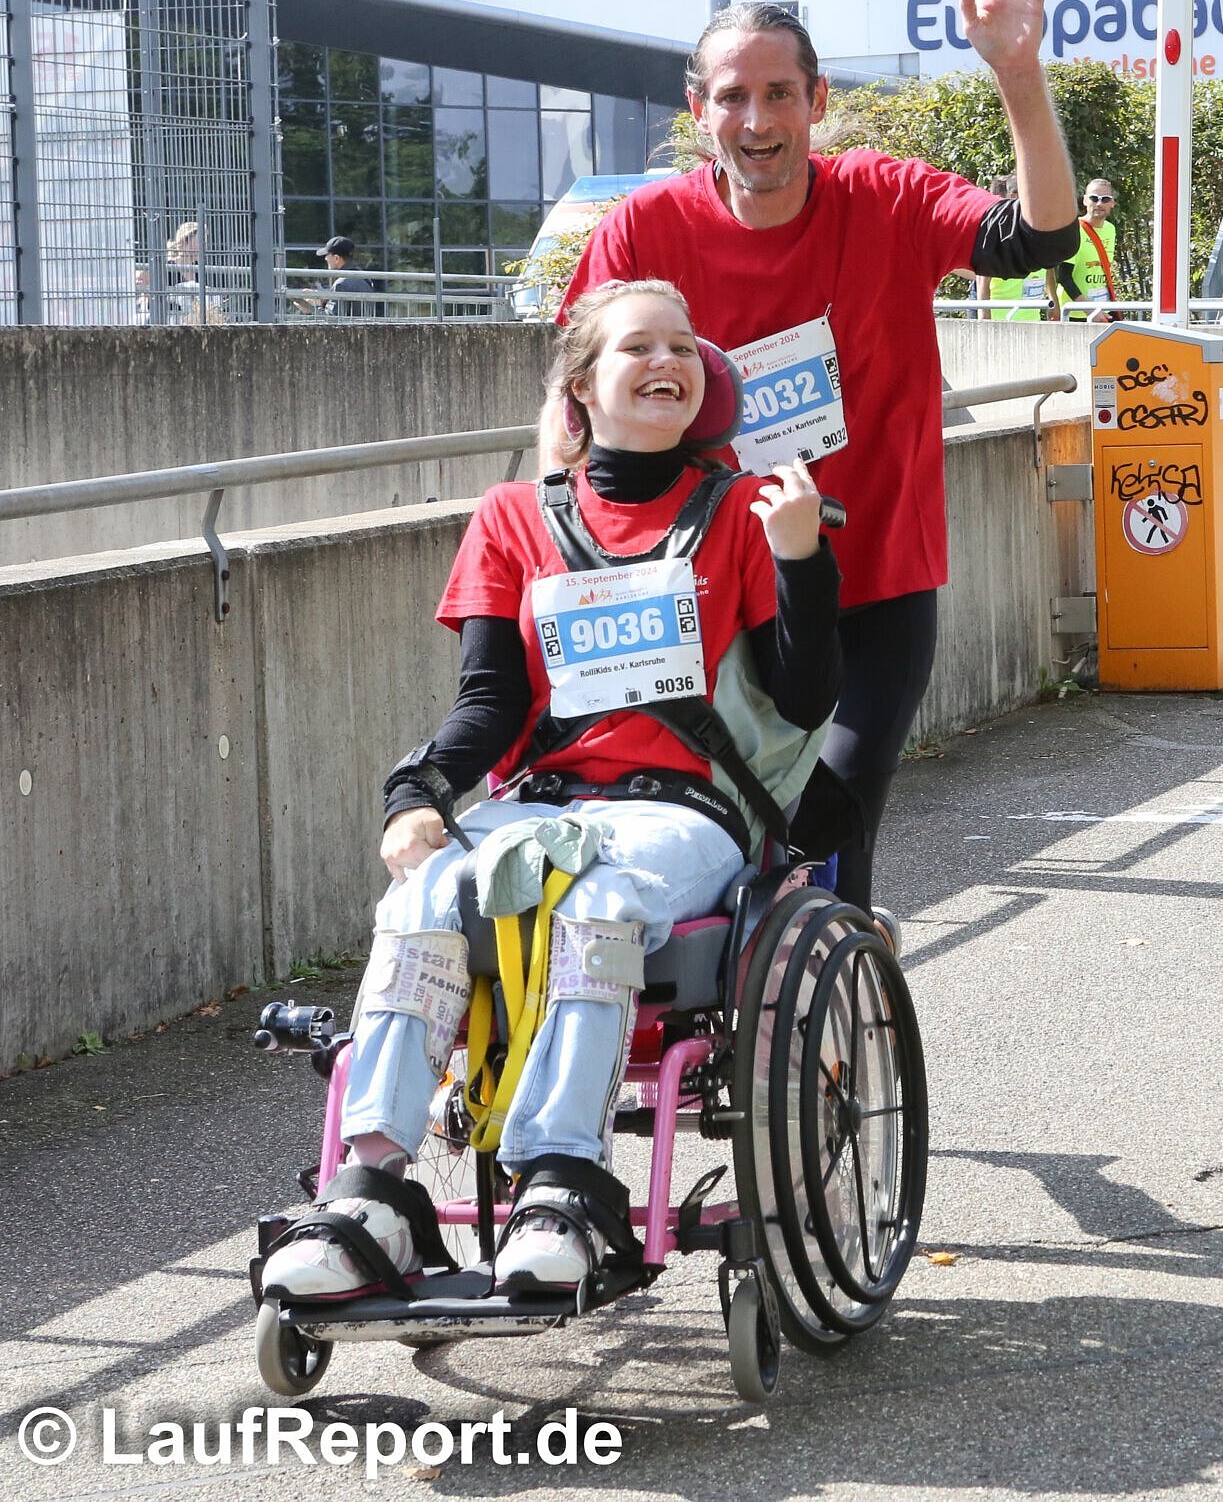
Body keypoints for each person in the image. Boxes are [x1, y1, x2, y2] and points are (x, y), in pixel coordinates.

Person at [260, 279, 840, 1299]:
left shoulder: (740, 515)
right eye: (637, 347)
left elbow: (802, 697)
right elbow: (487, 703)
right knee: (428, 892)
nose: (667, 362)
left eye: (682, 347)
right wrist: (418, 794)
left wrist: (802, 560)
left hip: (682, 811)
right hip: (545, 800)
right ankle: (371, 1191)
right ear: (582, 383)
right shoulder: (511, 518)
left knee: (597, 898)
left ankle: (562, 1180)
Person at [560, 0, 1079, 912]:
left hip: (873, 583)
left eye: (779, 95)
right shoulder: (645, 232)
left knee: (827, 822)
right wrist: (566, 549)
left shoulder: (881, 198)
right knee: (697, 840)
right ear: (697, 111)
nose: (756, 121)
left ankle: (834, 1037)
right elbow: (575, 399)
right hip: (717, 593)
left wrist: (1016, 75)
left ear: (818, 102)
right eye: (731, 96)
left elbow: (1035, 236)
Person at [977, 173, 1055, 319]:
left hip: (1033, 322)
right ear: (1014, 195)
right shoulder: (996, 231)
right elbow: (982, 279)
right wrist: (985, 321)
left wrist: (1054, 303)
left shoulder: (1040, 229)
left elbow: (1049, 270)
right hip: (1002, 322)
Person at [1058, 179, 1119, 321]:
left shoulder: (1110, 229)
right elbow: (1063, 277)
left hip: (1102, 310)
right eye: (1094, 198)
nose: (1099, 204)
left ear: (1112, 203)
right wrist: (1089, 310)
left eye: (1105, 199)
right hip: (1075, 313)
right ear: (1085, 200)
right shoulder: (1073, 230)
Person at [320, 236, 382, 318]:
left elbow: (333, 320)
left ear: (336, 258)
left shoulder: (341, 284)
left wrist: (312, 308)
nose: (325, 258)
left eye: (327, 255)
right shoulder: (364, 278)